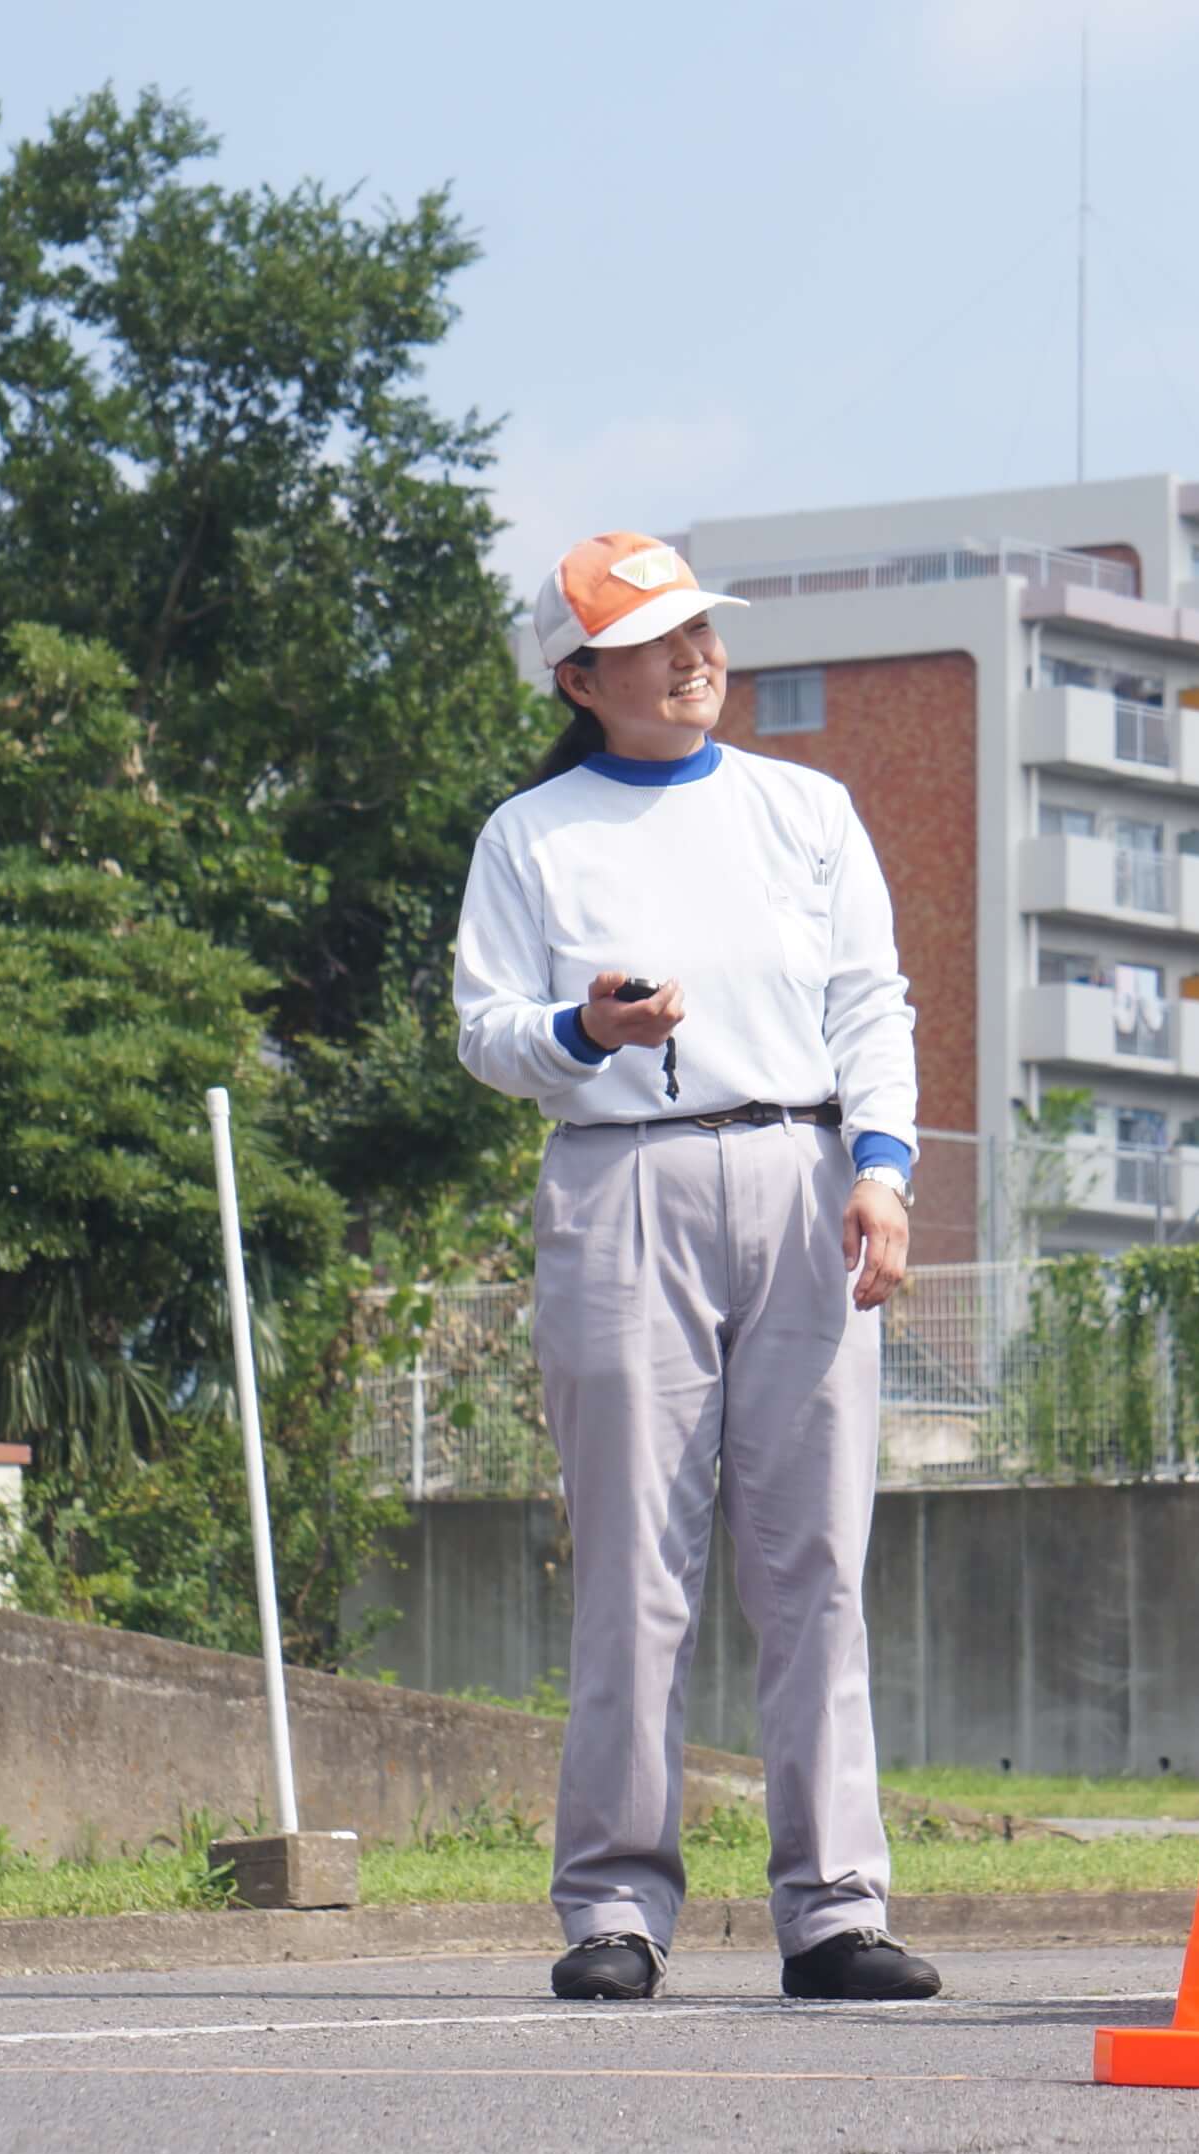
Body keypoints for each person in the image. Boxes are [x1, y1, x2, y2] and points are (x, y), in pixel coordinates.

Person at [453, 531, 938, 2004]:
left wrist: (882, 1171)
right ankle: (613, 1904)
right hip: (620, 1184)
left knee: (817, 1565)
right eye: (655, 640)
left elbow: (873, 1002)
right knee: (634, 1564)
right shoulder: (530, 836)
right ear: (580, 675)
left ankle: (835, 1907)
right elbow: (484, 1032)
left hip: (803, 1174)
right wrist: (586, 1030)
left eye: (701, 629)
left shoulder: (808, 808)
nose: (694, 656)